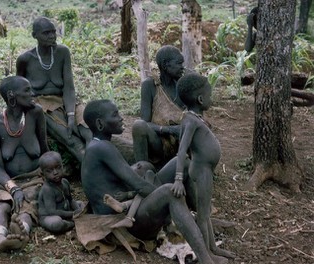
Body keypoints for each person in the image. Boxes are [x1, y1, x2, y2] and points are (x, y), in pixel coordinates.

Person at [80, 99, 227, 264]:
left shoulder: (100, 145)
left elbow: (129, 179)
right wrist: (165, 197)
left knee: (183, 163)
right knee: (170, 192)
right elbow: (139, 185)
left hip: (131, 207)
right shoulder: (102, 148)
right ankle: (205, 257)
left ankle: (202, 219)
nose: (121, 118)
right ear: (100, 124)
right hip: (125, 222)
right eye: (115, 115)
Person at [0, 76, 48, 252]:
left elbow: (45, 151)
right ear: (12, 95)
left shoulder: (36, 114)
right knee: (2, 205)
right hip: (3, 179)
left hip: (33, 177)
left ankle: (21, 233)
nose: (32, 94)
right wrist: (13, 188)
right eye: (27, 90)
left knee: (27, 206)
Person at [174, 73, 236, 259]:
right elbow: (181, 150)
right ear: (200, 99)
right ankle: (207, 253)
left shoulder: (194, 118)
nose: (212, 98)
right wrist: (178, 179)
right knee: (202, 214)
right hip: (201, 171)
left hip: (205, 170)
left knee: (206, 211)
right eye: (210, 95)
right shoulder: (191, 120)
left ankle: (212, 248)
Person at [16, 16, 92, 162]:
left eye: (53, 32)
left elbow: (69, 88)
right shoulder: (25, 59)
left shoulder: (62, 53)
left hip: (67, 101)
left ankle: (99, 164)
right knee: (71, 140)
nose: (51, 36)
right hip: (43, 106)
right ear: (34, 36)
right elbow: (18, 91)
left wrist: (71, 115)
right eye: (46, 33)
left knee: (89, 134)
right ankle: (95, 174)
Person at [132, 45, 186, 167]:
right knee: (138, 125)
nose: (182, 67)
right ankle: (142, 170)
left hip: (182, 144)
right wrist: (170, 130)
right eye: (179, 63)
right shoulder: (150, 86)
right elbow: (145, 123)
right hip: (159, 144)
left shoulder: (183, 85)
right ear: (165, 65)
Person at [38, 151, 84, 234]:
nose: (55, 172)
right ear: (42, 174)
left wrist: (78, 210)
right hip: (49, 216)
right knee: (56, 223)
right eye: (49, 171)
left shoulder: (65, 182)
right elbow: (52, 212)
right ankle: (72, 224)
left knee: (82, 204)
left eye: (58, 167)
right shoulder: (47, 189)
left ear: (63, 166)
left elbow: (70, 200)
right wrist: (73, 213)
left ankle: (76, 219)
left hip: (66, 211)